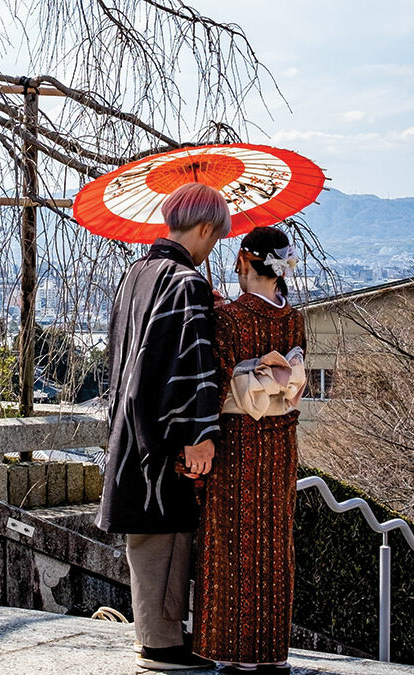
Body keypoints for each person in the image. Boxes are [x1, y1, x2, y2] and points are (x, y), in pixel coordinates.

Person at [97, 182, 229, 671]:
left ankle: (151, 637)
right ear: (205, 227)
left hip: (128, 432)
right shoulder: (186, 283)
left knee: (145, 541)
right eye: (215, 236)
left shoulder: (136, 274)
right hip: (164, 439)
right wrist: (199, 436)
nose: (214, 245)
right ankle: (163, 646)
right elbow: (191, 365)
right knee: (168, 537)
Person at [193, 226, 306, 674]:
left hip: (239, 444)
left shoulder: (228, 318)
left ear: (243, 259)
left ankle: (232, 653)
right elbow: (291, 385)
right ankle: (272, 653)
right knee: (275, 544)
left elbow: (216, 385)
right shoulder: (294, 318)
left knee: (231, 542)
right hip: (281, 444)